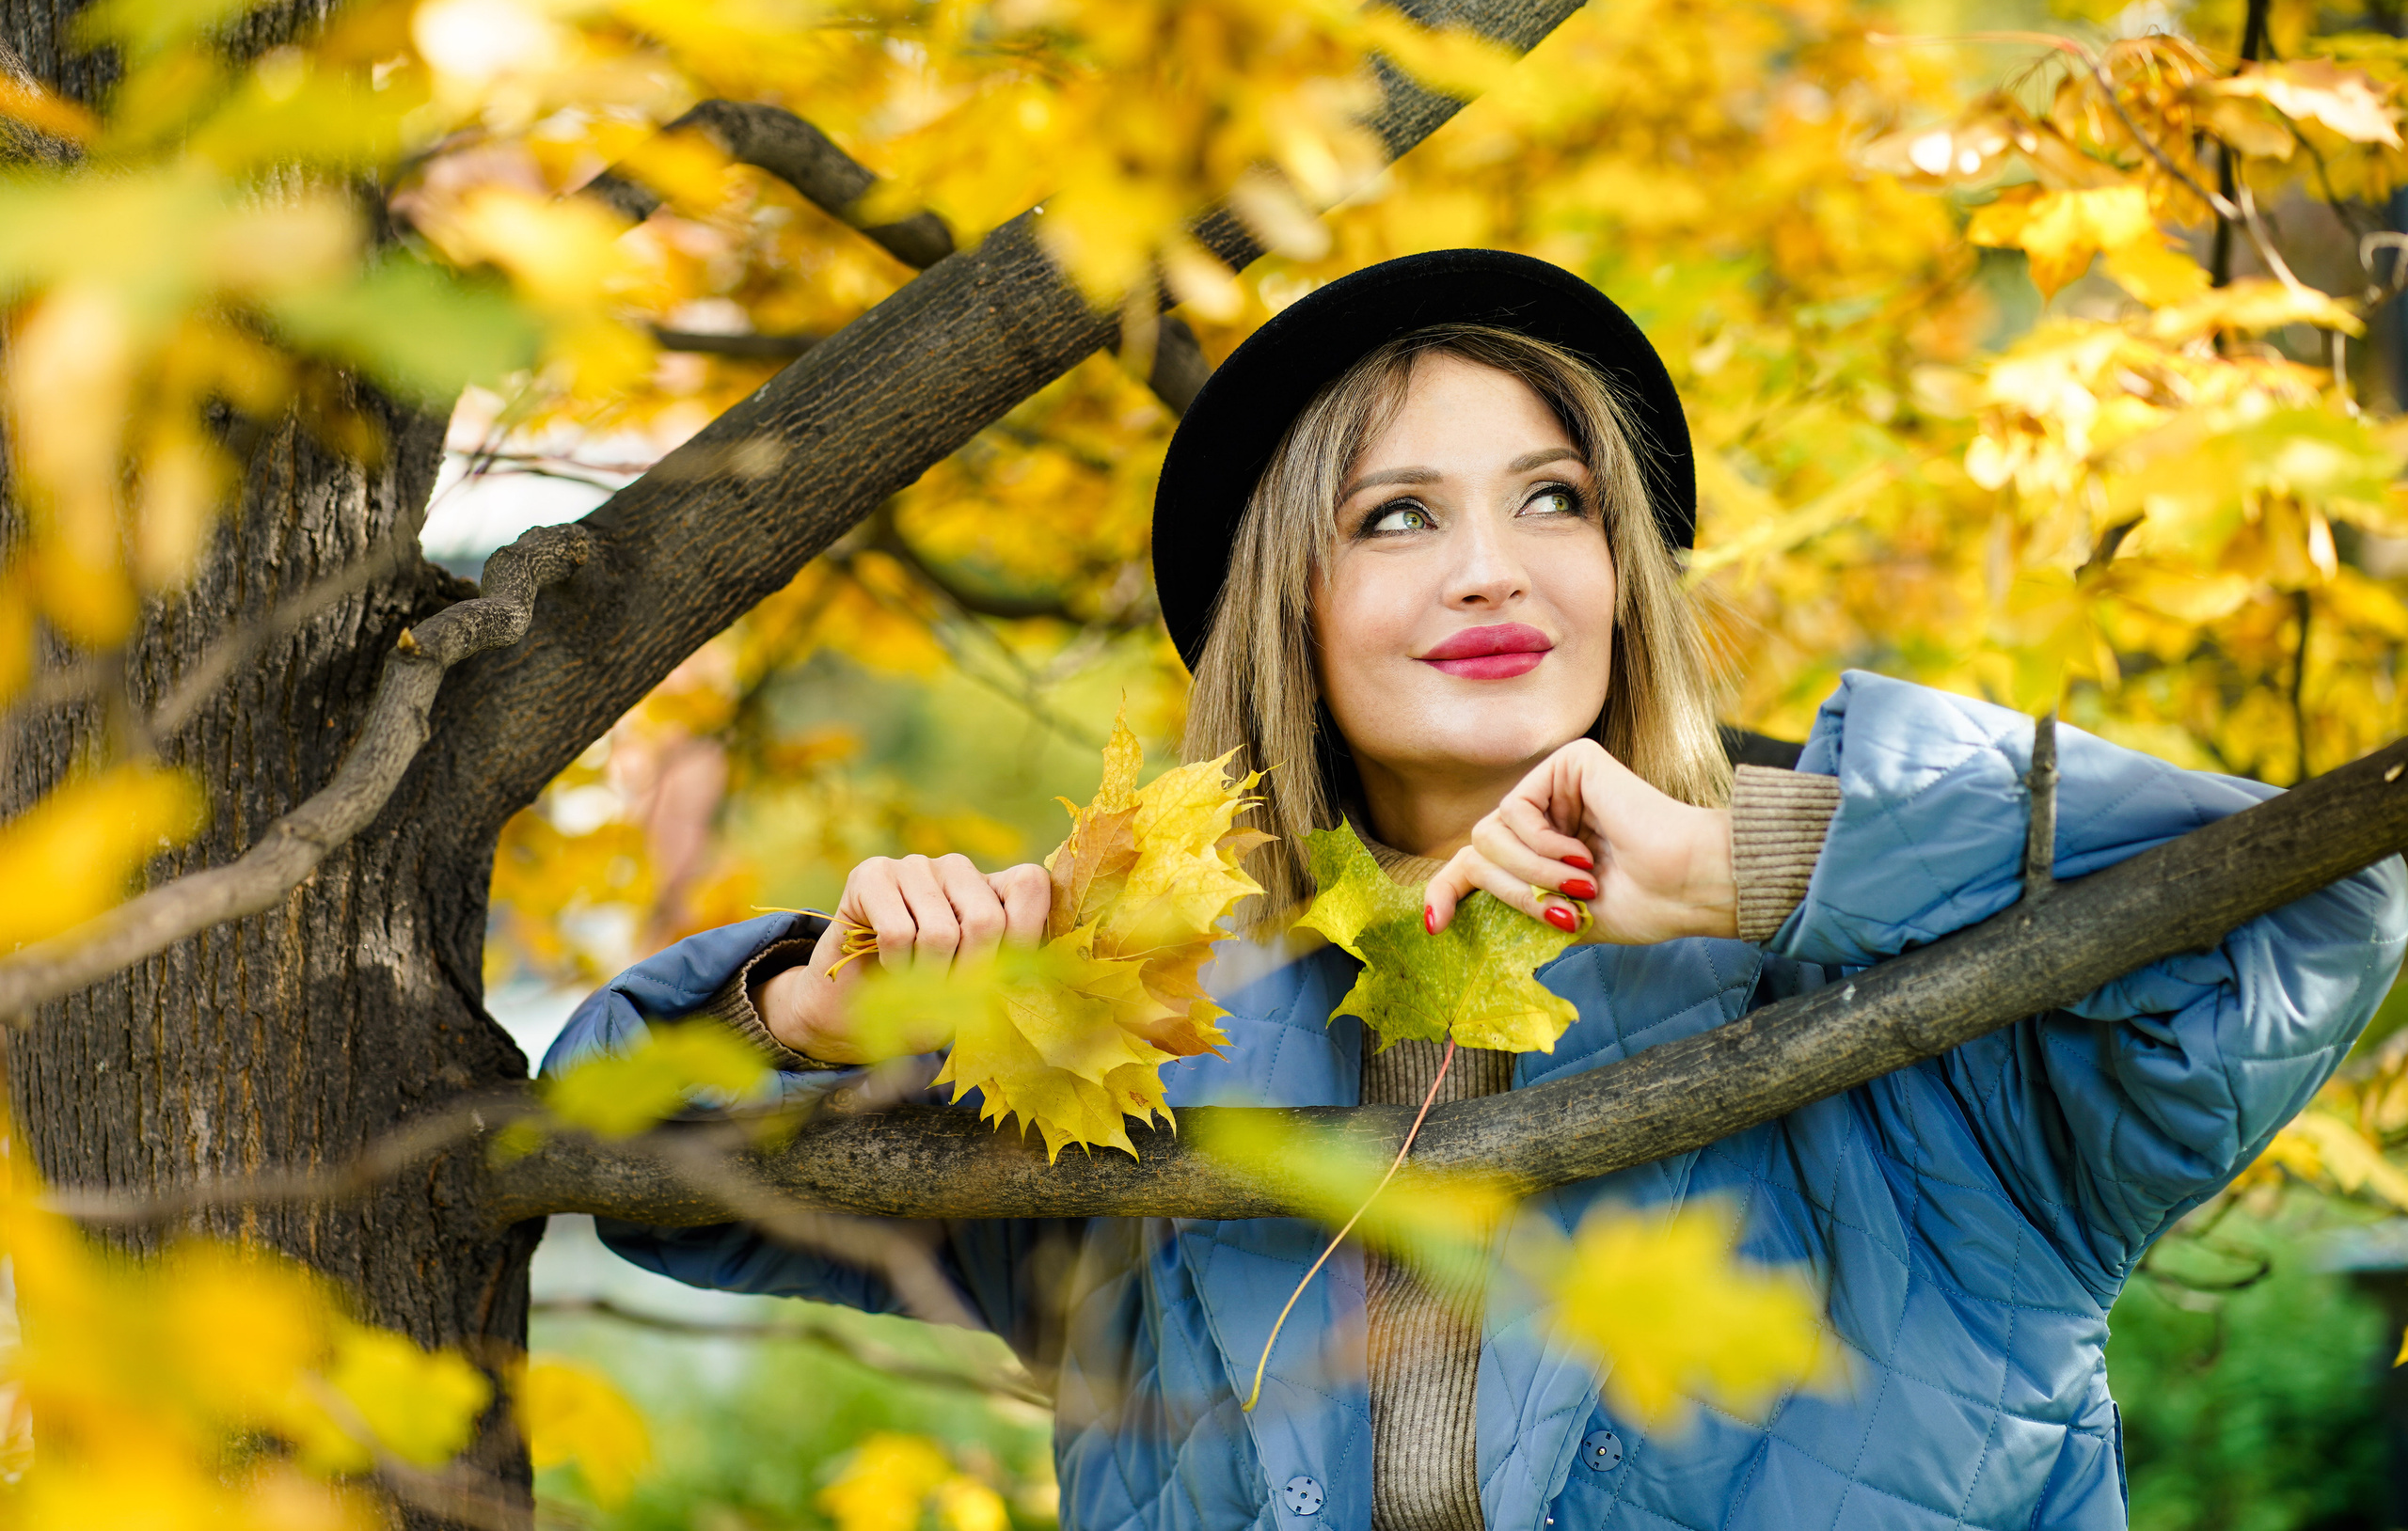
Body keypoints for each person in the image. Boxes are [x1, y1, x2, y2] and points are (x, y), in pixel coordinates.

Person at [543, 249, 2408, 1531]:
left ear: (1620, 571)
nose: (1490, 568)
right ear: (1291, 604)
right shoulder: (1135, 1062)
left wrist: (1747, 859)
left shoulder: (1907, 1038)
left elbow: (2306, 901)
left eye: (1552, 498)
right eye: (1393, 512)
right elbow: (643, 1181)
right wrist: (803, 1008)